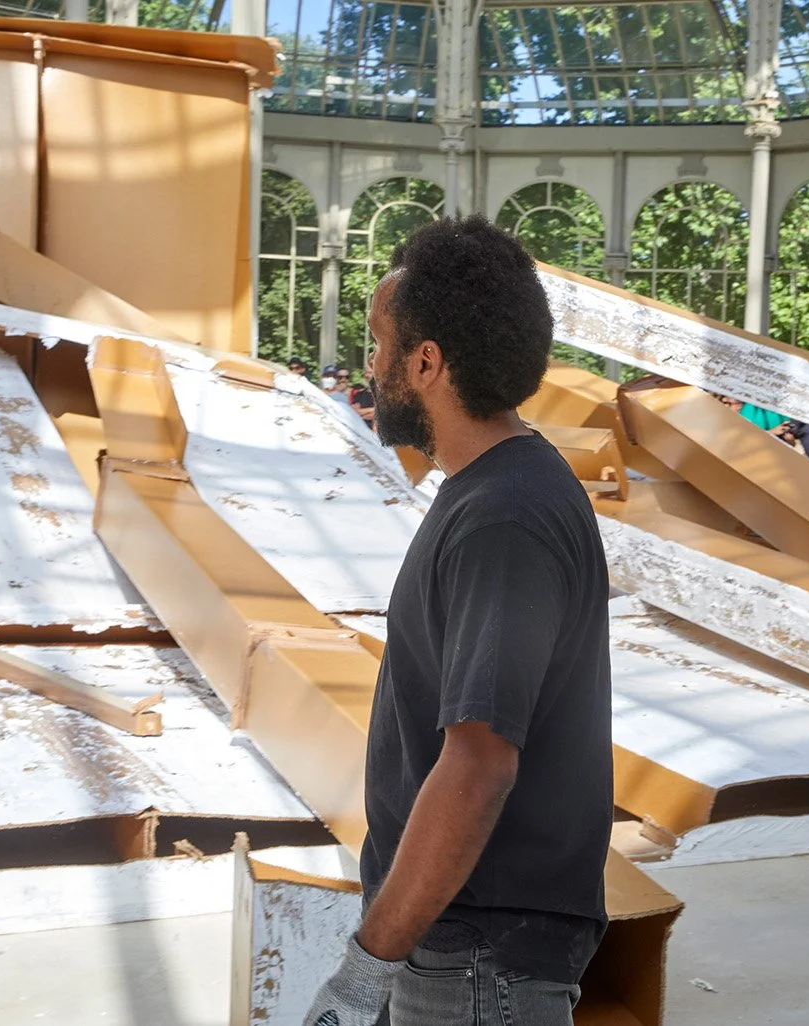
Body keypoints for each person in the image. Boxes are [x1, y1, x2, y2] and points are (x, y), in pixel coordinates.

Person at [304, 216, 612, 1026]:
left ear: (427, 361)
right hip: (477, 952)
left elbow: (479, 766)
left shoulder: (503, 517)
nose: (370, 369)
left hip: (481, 960)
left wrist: (366, 968)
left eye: (378, 346)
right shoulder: (499, 490)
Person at [350, 364, 377, 429]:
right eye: (366, 372)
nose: (367, 375)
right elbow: (354, 412)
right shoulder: (359, 394)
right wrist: (373, 410)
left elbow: (381, 414)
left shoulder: (382, 395)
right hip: (359, 430)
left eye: (370, 372)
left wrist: (362, 413)